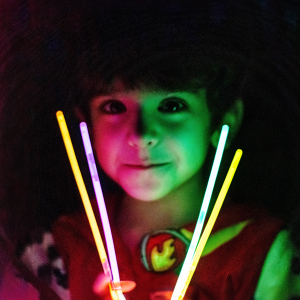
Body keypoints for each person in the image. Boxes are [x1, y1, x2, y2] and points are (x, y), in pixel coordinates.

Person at [1, 0, 300, 299]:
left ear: (224, 119)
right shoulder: (56, 249)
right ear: (85, 120)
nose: (141, 134)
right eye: (114, 106)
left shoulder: (263, 253)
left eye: (172, 105)